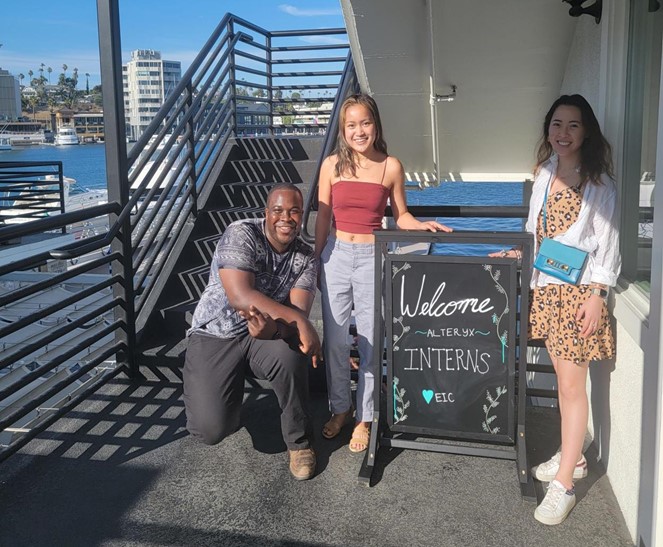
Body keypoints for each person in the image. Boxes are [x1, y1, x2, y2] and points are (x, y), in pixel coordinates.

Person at [492, 94, 620, 525]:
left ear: (587, 132)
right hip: (546, 290)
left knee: (570, 387)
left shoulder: (599, 182)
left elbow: (607, 246)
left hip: (579, 293)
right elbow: (535, 231)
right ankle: (574, 459)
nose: (563, 134)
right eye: (557, 125)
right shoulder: (545, 172)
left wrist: (597, 296)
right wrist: (517, 253)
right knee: (566, 383)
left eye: (573, 126)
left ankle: (564, 482)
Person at [315, 93, 452, 453]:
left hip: (373, 255)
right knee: (334, 340)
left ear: (375, 125)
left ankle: (365, 416)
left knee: (372, 341)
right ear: (343, 131)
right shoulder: (331, 166)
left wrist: (422, 226)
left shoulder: (391, 166)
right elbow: (324, 217)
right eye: (351, 125)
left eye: (365, 123)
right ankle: (341, 408)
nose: (359, 131)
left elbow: (401, 215)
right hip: (337, 255)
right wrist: (316, 258)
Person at [183, 183, 322, 481]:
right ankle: (226, 398)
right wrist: (303, 325)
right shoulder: (242, 232)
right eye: (278, 211)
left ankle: (299, 442)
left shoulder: (306, 257)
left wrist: (275, 327)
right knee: (210, 430)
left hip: (263, 335)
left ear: (303, 216)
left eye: (294, 211)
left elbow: (296, 311)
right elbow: (240, 296)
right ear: (266, 214)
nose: (286, 218)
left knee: (291, 353)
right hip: (215, 333)